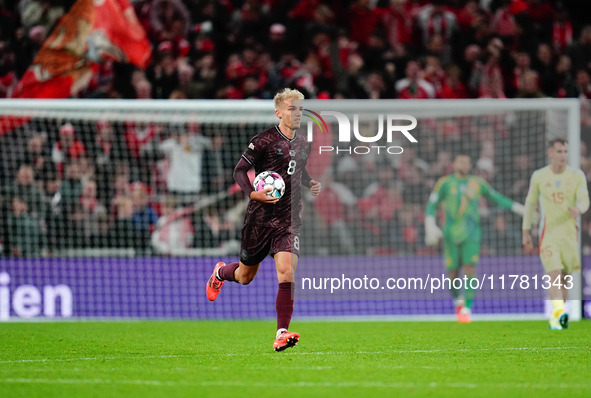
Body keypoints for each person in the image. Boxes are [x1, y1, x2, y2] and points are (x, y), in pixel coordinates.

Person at [206, 88, 321, 351]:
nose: (298, 114)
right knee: (245, 276)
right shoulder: (264, 140)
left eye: (301, 110)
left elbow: (296, 171)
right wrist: (253, 194)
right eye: (292, 110)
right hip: (259, 220)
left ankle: (282, 332)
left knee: (286, 272)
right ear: (279, 112)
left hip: (289, 219)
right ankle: (221, 272)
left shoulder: (305, 143)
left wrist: (310, 182)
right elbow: (240, 171)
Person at [425, 154, 524, 323]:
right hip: (450, 234)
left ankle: (467, 309)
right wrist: (430, 225)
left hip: (472, 234)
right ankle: (458, 301)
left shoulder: (477, 183)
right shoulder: (445, 183)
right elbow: (431, 205)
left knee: (470, 269)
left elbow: (497, 198)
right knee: (453, 274)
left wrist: (518, 208)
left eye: (467, 162)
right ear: (454, 164)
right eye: (461, 161)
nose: (464, 164)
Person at [522, 138, 589, 330]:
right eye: (559, 151)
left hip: (569, 233)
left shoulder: (577, 176)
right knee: (554, 273)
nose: (563, 156)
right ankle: (560, 313)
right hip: (549, 232)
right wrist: (525, 232)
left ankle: (557, 314)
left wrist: (579, 209)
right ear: (550, 153)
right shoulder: (539, 176)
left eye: (566, 152)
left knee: (565, 277)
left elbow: (585, 199)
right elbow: (530, 204)